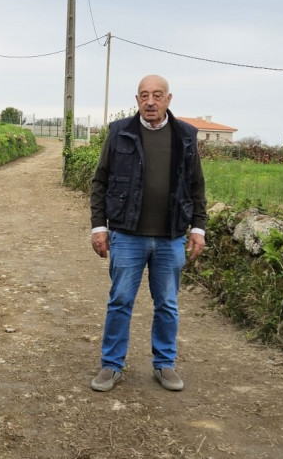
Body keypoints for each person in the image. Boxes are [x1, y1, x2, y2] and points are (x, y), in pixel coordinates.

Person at [89, 74, 207, 393]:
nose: (150, 101)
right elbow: (100, 181)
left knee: (167, 303)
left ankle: (165, 363)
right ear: (137, 100)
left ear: (169, 99)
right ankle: (111, 365)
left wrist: (198, 227)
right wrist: (99, 226)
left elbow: (196, 185)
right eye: (144, 95)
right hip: (127, 235)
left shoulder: (185, 135)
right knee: (121, 300)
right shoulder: (120, 132)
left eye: (157, 95)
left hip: (171, 236)